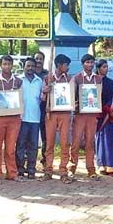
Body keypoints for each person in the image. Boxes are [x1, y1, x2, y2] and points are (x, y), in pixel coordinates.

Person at [0, 55, 24, 183]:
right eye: (4, 64)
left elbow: (21, 100)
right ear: (0, 65)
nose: (7, 67)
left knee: (10, 148)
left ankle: (12, 173)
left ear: (12, 65)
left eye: (9, 64)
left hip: (14, 119)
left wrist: (20, 116)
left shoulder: (18, 81)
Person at [41, 54, 73, 183]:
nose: (68, 67)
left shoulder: (70, 79)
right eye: (66, 65)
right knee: (49, 143)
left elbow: (72, 96)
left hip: (65, 113)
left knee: (65, 143)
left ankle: (63, 170)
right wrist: (45, 91)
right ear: (59, 65)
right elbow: (42, 98)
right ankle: (48, 170)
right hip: (51, 113)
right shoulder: (48, 78)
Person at [69, 54, 102, 179]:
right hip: (79, 115)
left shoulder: (98, 79)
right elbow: (72, 96)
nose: (90, 65)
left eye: (92, 62)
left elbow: (99, 95)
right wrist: (75, 104)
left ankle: (91, 169)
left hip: (92, 115)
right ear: (83, 64)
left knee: (90, 142)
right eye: (87, 62)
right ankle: (72, 168)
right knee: (76, 141)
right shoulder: (76, 78)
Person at [16, 57, 43, 180]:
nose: (30, 68)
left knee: (33, 145)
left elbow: (42, 98)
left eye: (33, 66)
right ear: (24, 67)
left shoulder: (40, 81)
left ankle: (31, 169)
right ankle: (20, 169)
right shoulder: (18, 81)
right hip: (21, 117)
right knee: (20, 144)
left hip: (35, 118)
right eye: (28, 66)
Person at [94, 60, 113, 176]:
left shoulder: (111, 83)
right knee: (99, 140)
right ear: (98, 68)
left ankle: (111, 165)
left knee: (109, 139)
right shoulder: (93, 82)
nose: (106, 69)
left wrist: (111, 110)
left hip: (110, 116)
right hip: (98, 115)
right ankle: (101, 165)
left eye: (107, 67)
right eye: (104, 67)